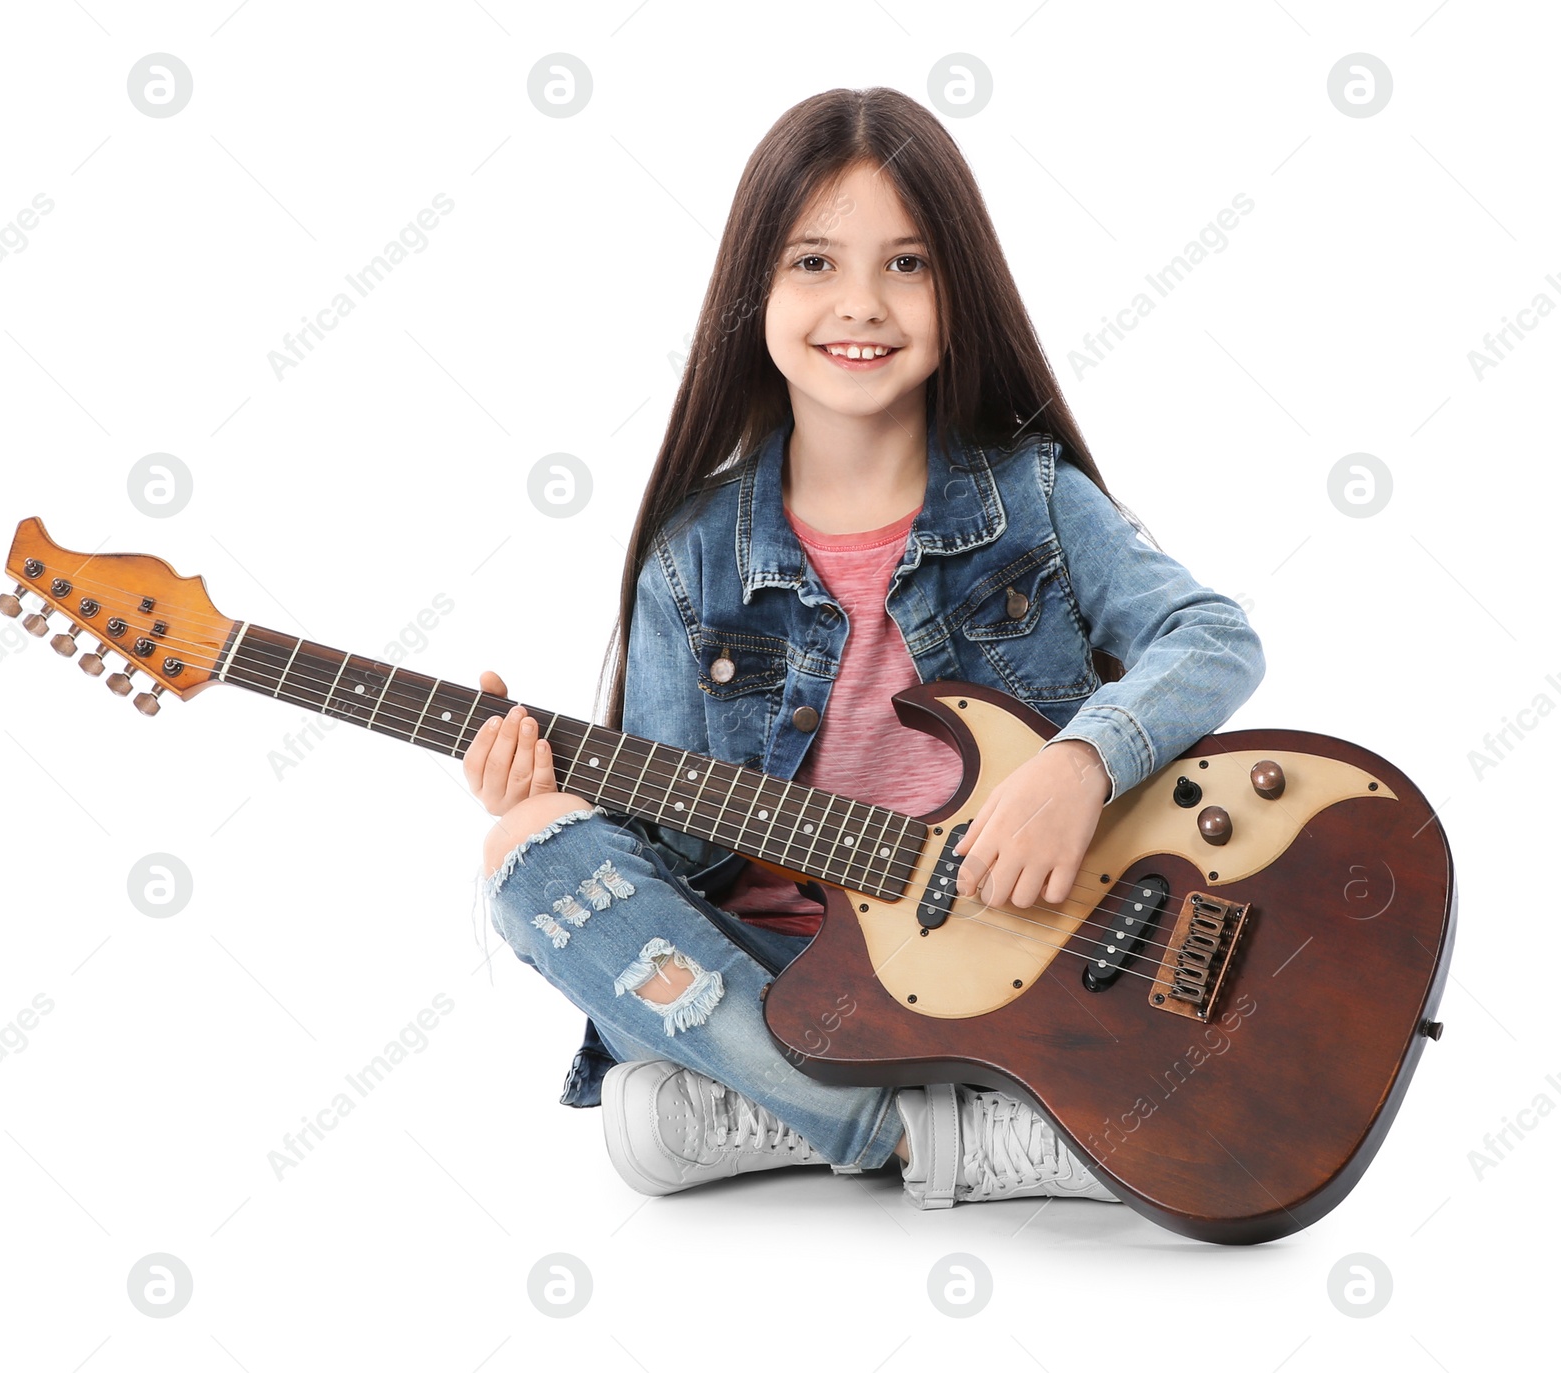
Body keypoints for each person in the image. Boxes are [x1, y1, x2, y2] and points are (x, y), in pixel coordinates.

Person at [463, 87, 1265, 1211]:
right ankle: (936, 1130)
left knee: (653, 1123)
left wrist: (1077, 767)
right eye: (812, 263)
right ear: (756, 290)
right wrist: (559, 790)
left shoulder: (1030, 495)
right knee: (528, 843)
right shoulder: (691, 559)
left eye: (906, 263)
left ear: (957, 289)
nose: (860, 304)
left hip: (1038, 974)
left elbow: (1212, 635)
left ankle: (773, 1109)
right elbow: (675, 862)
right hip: (797, 984)